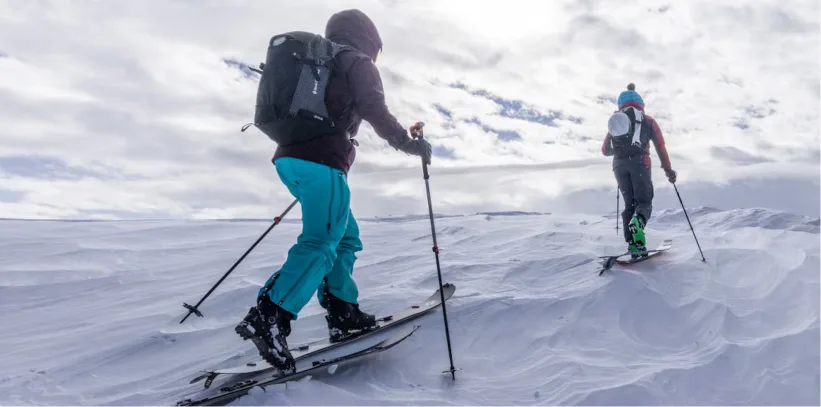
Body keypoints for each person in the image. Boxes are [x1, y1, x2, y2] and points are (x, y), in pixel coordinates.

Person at [235, 9, 432, 372]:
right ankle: (270, 315)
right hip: (321, 161)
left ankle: (343, 311)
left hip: (293, 159)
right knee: (322, 241)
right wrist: (408, 144)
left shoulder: (321, 62)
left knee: (344, 237)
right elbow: (374, 108)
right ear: (369, 40)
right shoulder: (355, 60)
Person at [601, 83, 676, 257]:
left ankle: (633, 244)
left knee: (630, 204)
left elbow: (605, 150)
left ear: (621, 103)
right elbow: (660, 146)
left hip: (619, 167)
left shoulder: (616, 121)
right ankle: (638, 223)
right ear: (640, 102)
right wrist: (668, 170)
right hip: (640, 164)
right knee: (644, 202)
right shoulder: (647, 120)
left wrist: (619, 152)